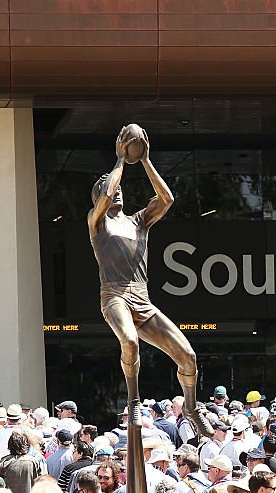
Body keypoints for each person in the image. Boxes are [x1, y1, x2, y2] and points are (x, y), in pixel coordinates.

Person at [88, 126, 208, 441]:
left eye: (117, 188)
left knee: (188, 356)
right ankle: (134, 400)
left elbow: (166, 198)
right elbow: (104, 195)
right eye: (107, 189)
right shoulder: (97, 222)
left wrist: (144, 160)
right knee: (129, 341)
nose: (115, 190)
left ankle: (192, 408)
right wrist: (118, 162)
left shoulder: (138, 220)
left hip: (142, 300)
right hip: (114, 297)